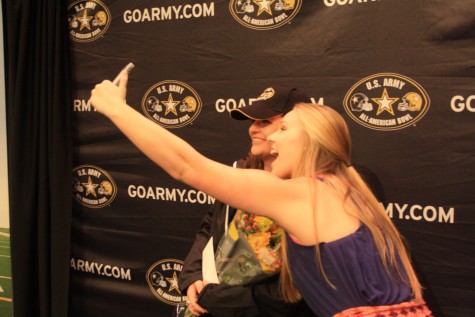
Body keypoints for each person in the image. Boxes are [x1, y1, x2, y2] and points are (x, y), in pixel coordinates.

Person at [90, 73, 433, 317]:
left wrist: (116, 109)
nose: (272, 139)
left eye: (282, 129)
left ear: (313, 140)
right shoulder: (348, 186)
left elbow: (186, 166)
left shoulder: (304, 193)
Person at [178, 86, 315, 317]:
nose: (253, 129)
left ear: (300, 129)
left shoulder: (317, 190)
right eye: (252, 122)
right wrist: (193, 276)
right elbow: (209, 229)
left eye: (265, 122)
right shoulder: (238, 172)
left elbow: (301, 289)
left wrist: (225, 299)